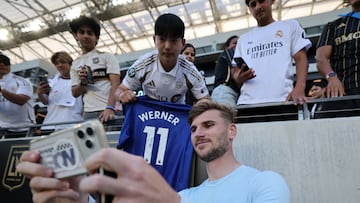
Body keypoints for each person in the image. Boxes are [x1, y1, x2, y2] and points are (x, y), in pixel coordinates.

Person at [17, 100, 290, 203]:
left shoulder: (265, 182)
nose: (198, 133)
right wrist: (80, 197)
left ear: (232, 131)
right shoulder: (184, 196)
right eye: (193, 129)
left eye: (208, 125)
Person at [115, 13, 209, 105]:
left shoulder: (190, 71)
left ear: (183, 43)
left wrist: (201, 105)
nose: (167, 46)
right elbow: (120, 89)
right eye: (162, 39)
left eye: (173, 40)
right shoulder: (143, 65)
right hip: (149, 114)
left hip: (177, 115)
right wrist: (122, 94)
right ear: (154, 40)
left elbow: (205, 99)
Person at [232, 0, 312, 106]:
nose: (258, 7)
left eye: (261, 1)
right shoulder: (243, 39)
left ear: (272, 1)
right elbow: (235, 72)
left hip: (283, 100)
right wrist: (239, 77)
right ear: (250, 9)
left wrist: (300, 87)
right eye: (253, 4)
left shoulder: (290, 26)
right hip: (247, 103)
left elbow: (301, 58)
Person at [69, 16, 121, 127]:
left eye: (90, 33)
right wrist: (82, 83)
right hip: (89, 113)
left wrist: (110, 108)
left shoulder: (107, 57)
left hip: (111, 109)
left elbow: (116, 83)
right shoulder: (75, 64)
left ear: (96, 38)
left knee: (114, 143)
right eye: (82, 32)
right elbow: (75, 93)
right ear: (76, 36)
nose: (86, 36)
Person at [315, 0, 360, 117]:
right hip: (343, 94)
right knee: (324, 130)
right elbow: (321, 59)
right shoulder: (334, 26)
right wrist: (331, 77)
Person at [37, 52, 83, 134]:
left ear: (70, 64)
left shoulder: (81, 81)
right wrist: (40, 93)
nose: (59, 65)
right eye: (56, 63)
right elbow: (46, 102)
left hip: (71, 125)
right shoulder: (52, 82)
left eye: (63, 62)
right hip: (49, 125)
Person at [0, 51, 35, 138]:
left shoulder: (22, 81)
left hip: (24, 128)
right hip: (3, 128)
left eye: (5, 61)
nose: (1, 64)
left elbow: (21, 100)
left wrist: (2, 91)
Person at [211, 35, 240, 109]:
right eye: (235, 43)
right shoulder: (228, 52)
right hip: (225, 91)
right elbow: (235, 73)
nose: (238, 45)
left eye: (240, 43)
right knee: (228, 118)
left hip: (227, 93)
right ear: (226, 47)